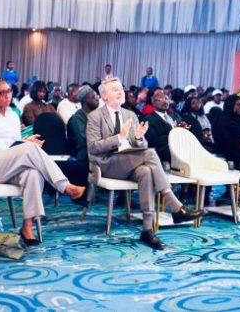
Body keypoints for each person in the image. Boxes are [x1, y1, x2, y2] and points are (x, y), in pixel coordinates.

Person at [86, 78, 203, 250]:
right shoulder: (95, 116)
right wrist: (118, 138)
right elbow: (93, 147)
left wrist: (139, 138)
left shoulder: (130, 115)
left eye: (120, 89)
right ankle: (175, 206)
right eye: (114, 90)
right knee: (150, 153)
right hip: (106, 164)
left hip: (129, 162)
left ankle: (147, 230)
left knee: (146, 171)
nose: (120, 92)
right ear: (104, 96)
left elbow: (141, 146)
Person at [0, 77, 85, 245]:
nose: (7, 95)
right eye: (2, 93)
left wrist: (23, 142)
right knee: (29, 149)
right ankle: (64, 186)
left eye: (9, 91)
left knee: (33, 172)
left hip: (8, 165)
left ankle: (27, 227)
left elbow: (15, 143)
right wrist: (18, 146)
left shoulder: (12, 115)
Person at [144, 88, 181, 163]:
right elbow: (154, 142)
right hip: (163, 152)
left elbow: (185, 129)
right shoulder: (149, 119)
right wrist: (173, 134)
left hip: (180, 145)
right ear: (153, 102)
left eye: (166, 99)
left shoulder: (175, 116)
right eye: (160, 99)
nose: (165, 101)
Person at [67, 85, 99, 162]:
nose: (97, 99)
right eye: (93, 97)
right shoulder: (77, 119)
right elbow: (84, 141)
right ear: (86, 100)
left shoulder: (95, 115)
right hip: (83, 156)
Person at [214, 95, 240, 170]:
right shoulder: (223, 119)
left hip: (239, 147)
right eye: (238, 104)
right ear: (231, 105)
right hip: (226, 149)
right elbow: (224, 139)